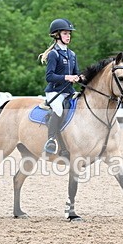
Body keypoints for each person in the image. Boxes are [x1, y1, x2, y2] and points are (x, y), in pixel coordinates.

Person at [38, 18, 81, 154]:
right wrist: (66, 77)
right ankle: (51, 140)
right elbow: (49, 77)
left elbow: (77, 73)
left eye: (69, 34)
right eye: (65, 34)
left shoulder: (72, 54)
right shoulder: (53, 54)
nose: (68, 36)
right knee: (59, 111)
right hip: (55, 92)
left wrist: (81, 77)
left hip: (69, 92)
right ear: (57, 35)